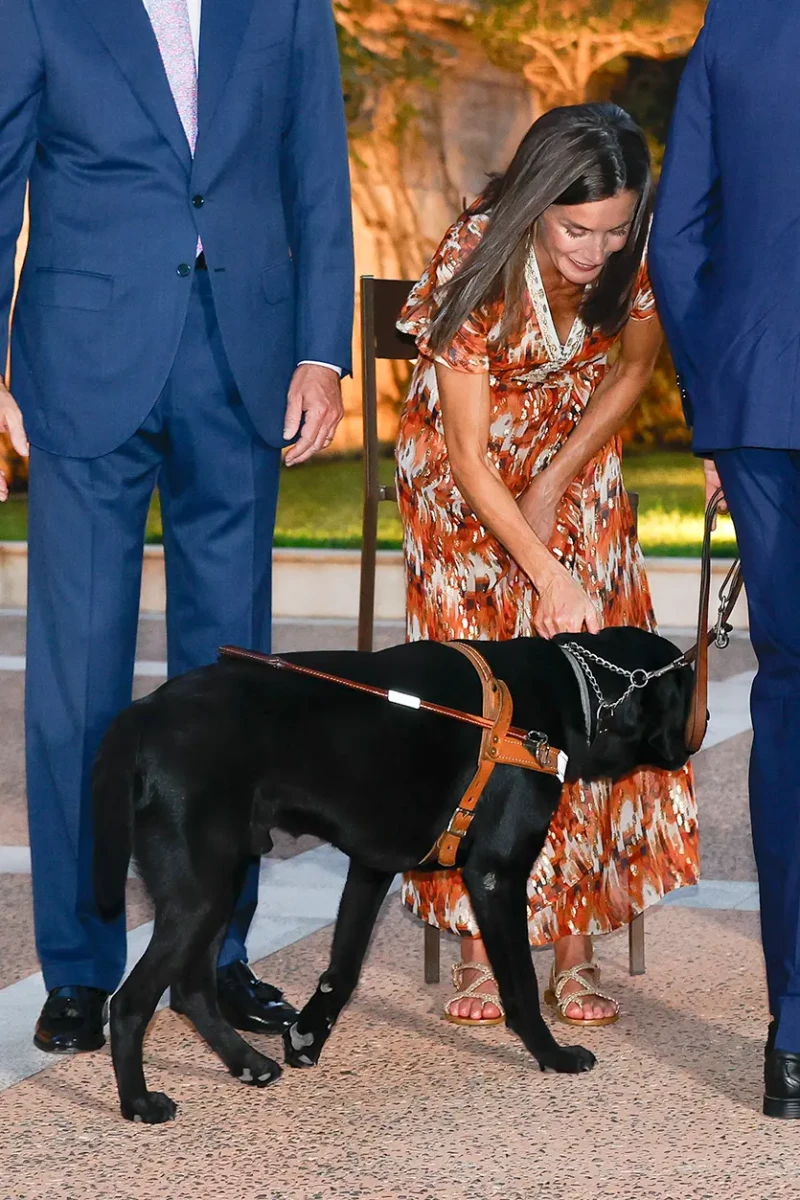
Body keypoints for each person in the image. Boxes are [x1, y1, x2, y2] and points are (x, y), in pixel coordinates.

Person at [0, 0, 353, 1054]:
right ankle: (77, 966)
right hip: (83, 363)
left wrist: (320, 351)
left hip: (242, 368)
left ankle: (216, 952)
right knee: (76, 686)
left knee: (231, 688)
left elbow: (316, 172)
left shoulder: (289, 7)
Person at [395, 103, 697, 1028]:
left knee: (595, 686)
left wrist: (556, 489)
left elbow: (635, 372)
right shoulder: (475, 257)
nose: (595, 251)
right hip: (462, 487)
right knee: (485, 698)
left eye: (614, 230)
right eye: (575, 229)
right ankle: (484, 947)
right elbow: (471, 459)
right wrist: (541, 566)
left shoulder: (629, 250)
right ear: (534, 205)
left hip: (573, 458)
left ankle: (577, 941)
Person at [650, 0, 800, 1120]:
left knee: (792, 694)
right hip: (756, 393)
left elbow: (677, 236)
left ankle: (793, 1036)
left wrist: (715, 394)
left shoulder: (737, 24)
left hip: (760, 393)